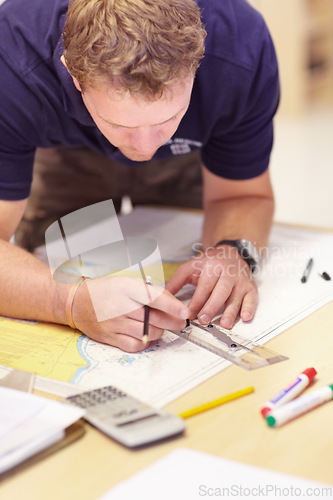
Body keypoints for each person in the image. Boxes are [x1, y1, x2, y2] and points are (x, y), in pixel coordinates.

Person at [0, 0, 279, 352]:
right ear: (72, 72)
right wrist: (68, 302)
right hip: (63, 148)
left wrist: (233, 251)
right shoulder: (11, 59)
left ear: (197, 64)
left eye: (167, 118)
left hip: (189, 152)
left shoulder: (242, 49)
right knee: (46, 258)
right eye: (119, 123)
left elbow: (242, 195)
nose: (146, 149)